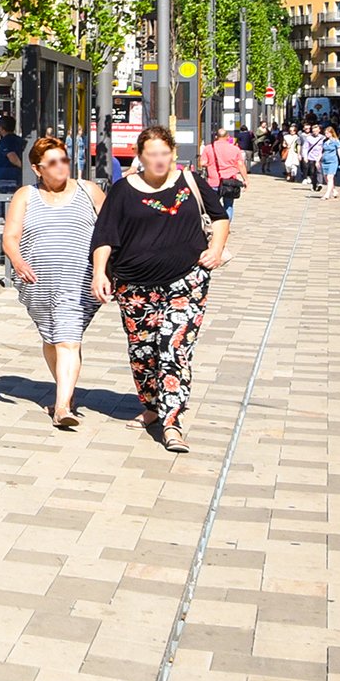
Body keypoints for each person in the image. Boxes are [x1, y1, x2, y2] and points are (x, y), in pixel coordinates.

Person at [90, 123, 231, 454]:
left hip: (187, 281)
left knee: (173, 346)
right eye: (151, 154)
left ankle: (172, 422)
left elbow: (220, 217)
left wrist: (216, 248)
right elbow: (105, 236)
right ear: (140, 156)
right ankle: (153, 406)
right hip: (134, 287)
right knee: (143, 354)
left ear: (173, 154)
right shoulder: (123, 190)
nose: (158, 160)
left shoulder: (190, 181)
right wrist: (99, 274)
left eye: (164, 154)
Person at [4, 135, 107, 429]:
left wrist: (105, 270)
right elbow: (11, 237)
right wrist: (18, 261)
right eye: (53, 162)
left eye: (64, 159)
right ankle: (65, 391)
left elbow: (112, 231)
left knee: (68, 338)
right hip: (37, 282)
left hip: (78, 280)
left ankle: (62, 407)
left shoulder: (89, 191)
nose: (62, 166)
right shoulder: (25, 195)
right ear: (38, 169)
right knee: (52, 337)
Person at [200, 125, 247, 219]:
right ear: (228, 137)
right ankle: (226, 227)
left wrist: (210, 164)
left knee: (212, 206)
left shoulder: (208, 148)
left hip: (213, 182)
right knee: (228, 205)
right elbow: (240, 165)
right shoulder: (235, 149)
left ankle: (214, 225)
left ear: (216, 136)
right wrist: (245, 180)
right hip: (230, 182)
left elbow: (202, 163)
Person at [317, 125, 340, 199]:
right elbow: (321, 151)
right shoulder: (324, 141)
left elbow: (339, 152)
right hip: (324, 161)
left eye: (328, 133)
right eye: (325, 133)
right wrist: (318, 160)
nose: (326, 135)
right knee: (326, 178)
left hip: (333, 161)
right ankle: (334, 190)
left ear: (332, 133)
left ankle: (327, 194)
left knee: (330, 177)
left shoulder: (336, 141)